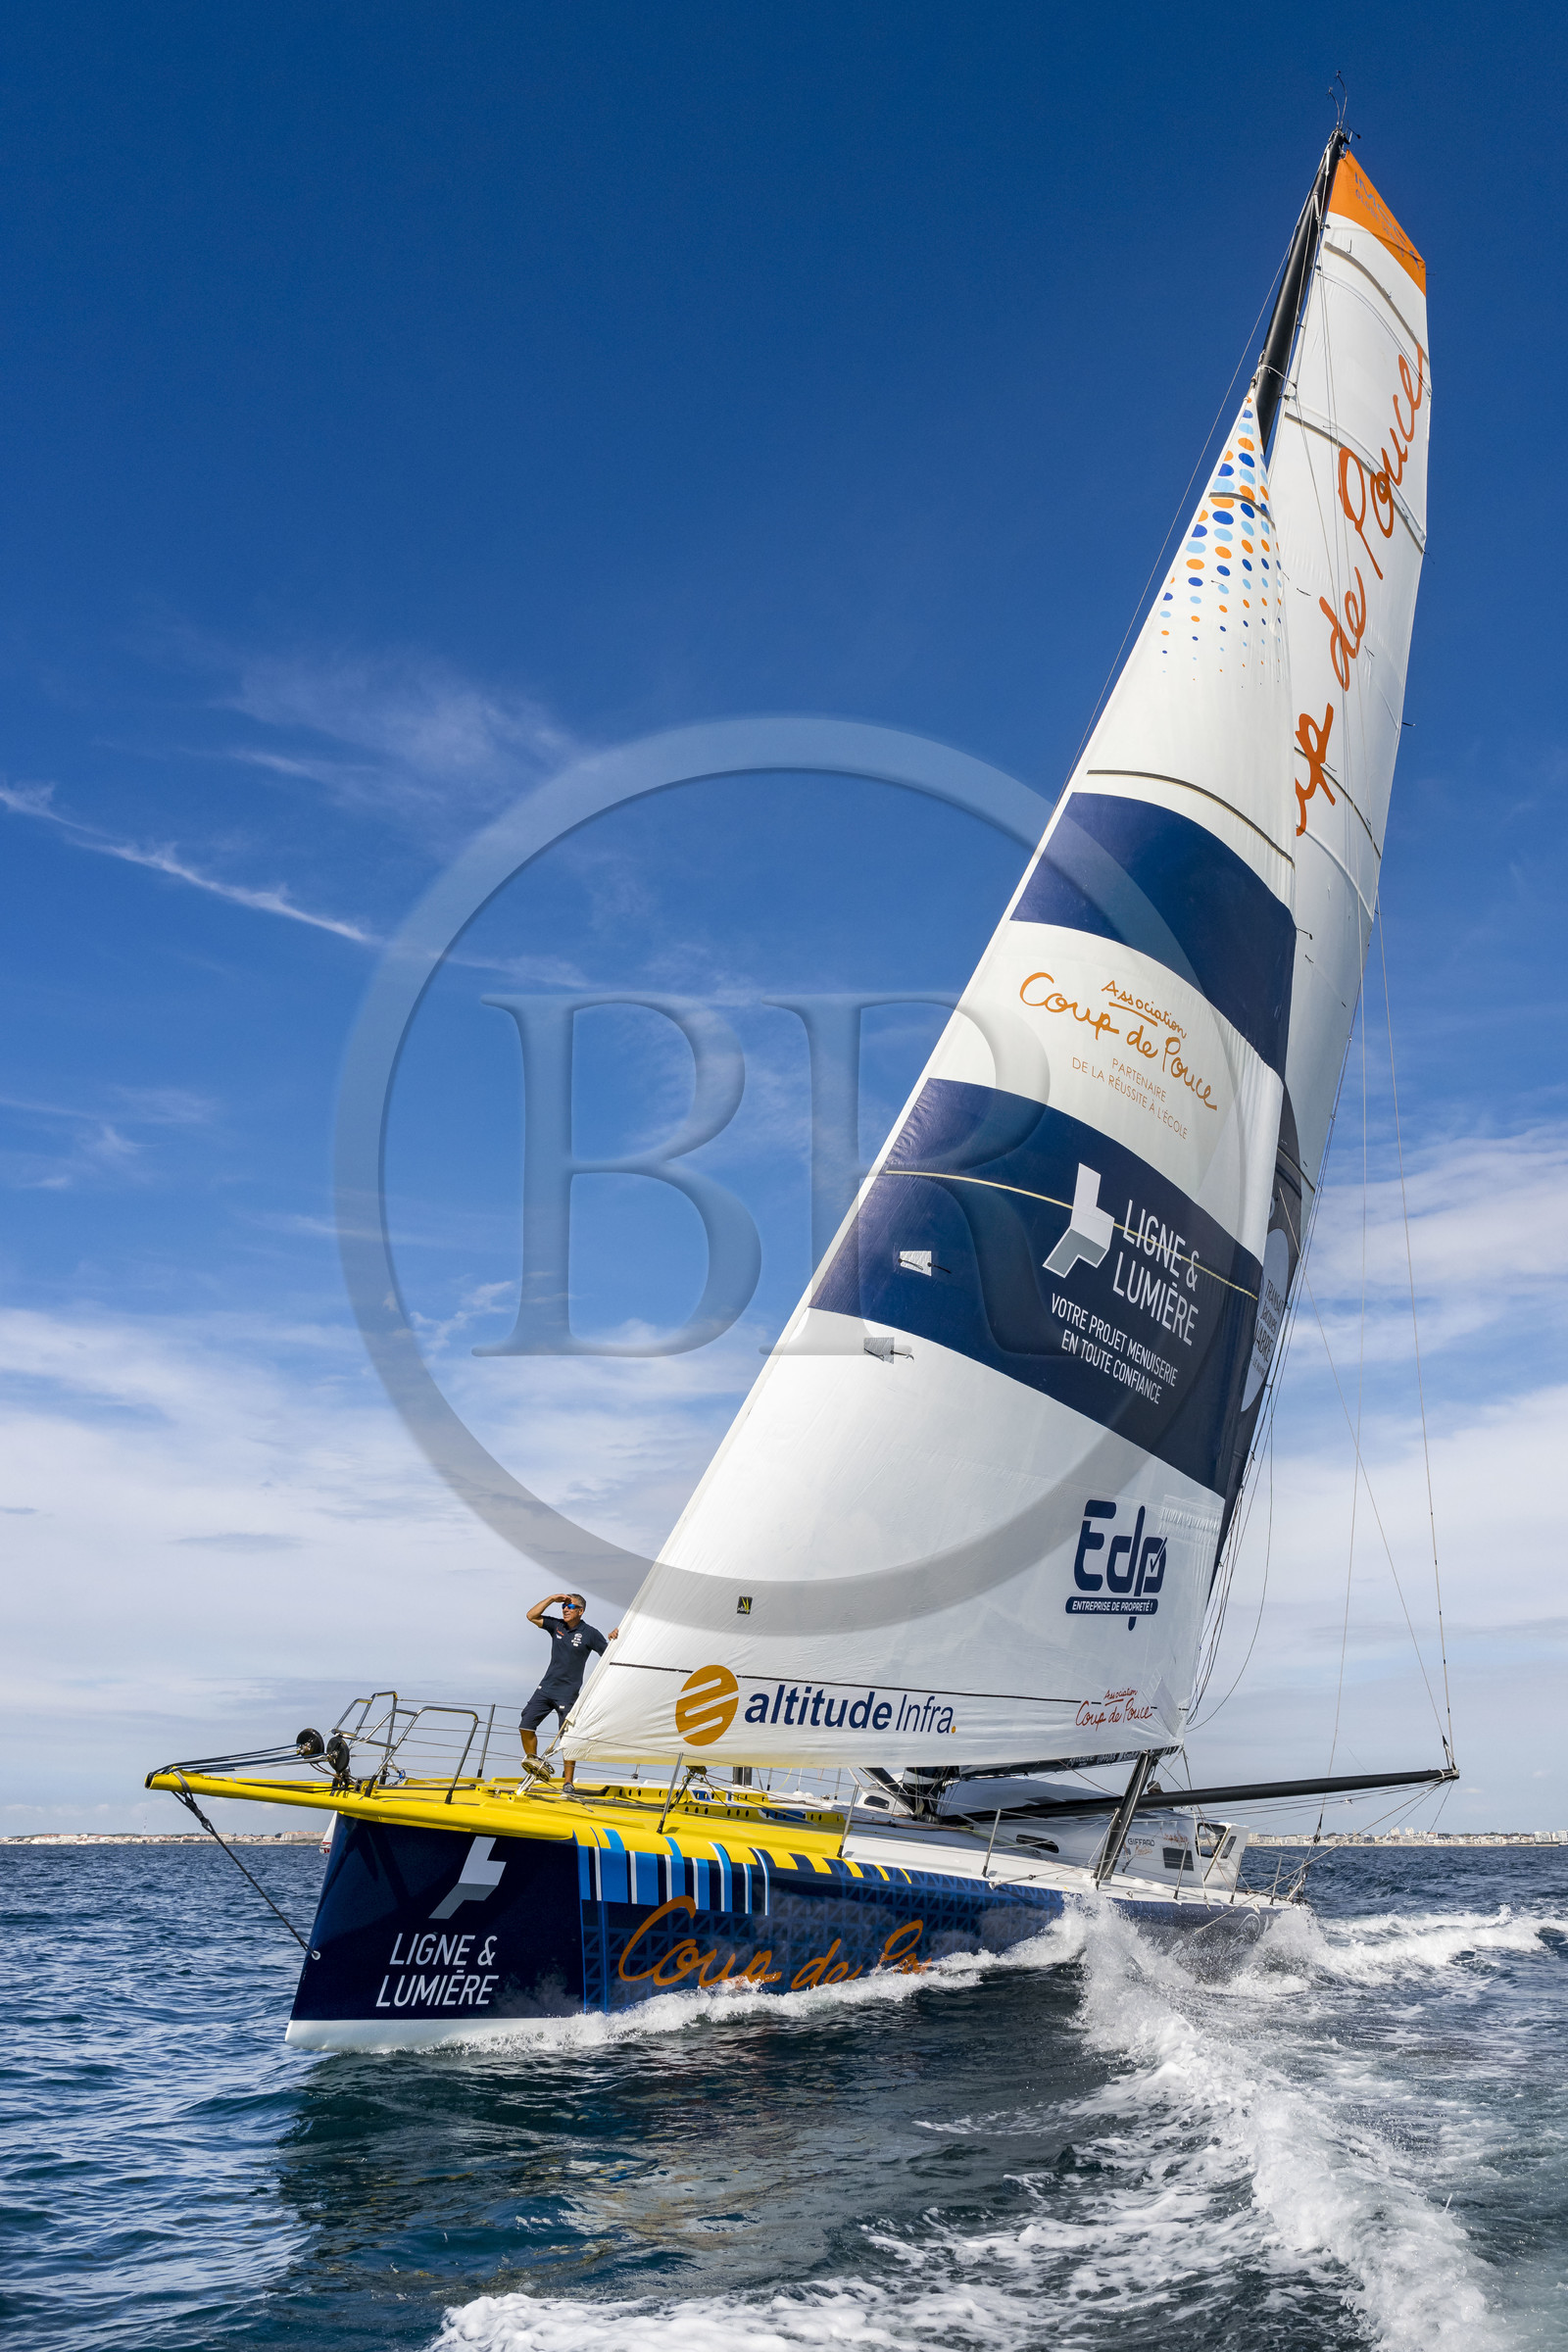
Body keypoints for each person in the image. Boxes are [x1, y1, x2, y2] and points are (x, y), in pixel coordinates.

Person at [519, 1591, 618, 1792]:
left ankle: (568, 1783)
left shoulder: (590, 1633)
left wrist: (614, 1639)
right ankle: (534, 1770)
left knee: (567, 1738)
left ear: (580, 1611)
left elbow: (608, 1655)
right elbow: (531, 1616)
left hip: (568, 1693)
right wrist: (550, 1599)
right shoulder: (557, 1626)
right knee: (526, 1725)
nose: (565, 1609)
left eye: (570, 1606)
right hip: (545, 1689)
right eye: (563, 1606)